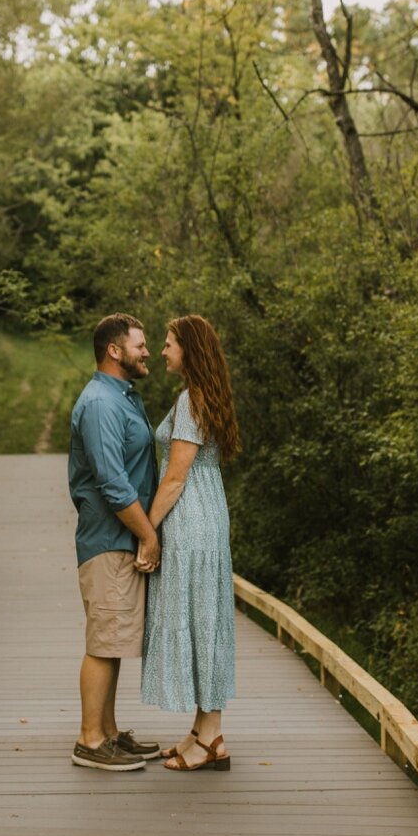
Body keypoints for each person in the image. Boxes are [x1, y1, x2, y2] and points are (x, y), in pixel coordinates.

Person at [141, 314, 241, 771]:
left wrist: (147, 531)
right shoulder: (202, 397)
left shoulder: (189, 400)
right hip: (209, 516)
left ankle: (212, 733)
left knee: (201, 620)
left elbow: (176, 476)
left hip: (190, 519)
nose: (162, 351)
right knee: (206, 616)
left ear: (189, 350)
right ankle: (203, 732)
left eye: (168, 344)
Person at [66, 313, 164, 770]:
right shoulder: (102, 403)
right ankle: (89, 740)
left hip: (119, 538)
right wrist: (148, 536)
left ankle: (107, 731)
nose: (148, 352)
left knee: (114, 637)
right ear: (114, 350)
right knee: (103, 639)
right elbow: (111, 481)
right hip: (109, 538)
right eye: (141, 345)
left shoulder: (122, 396)